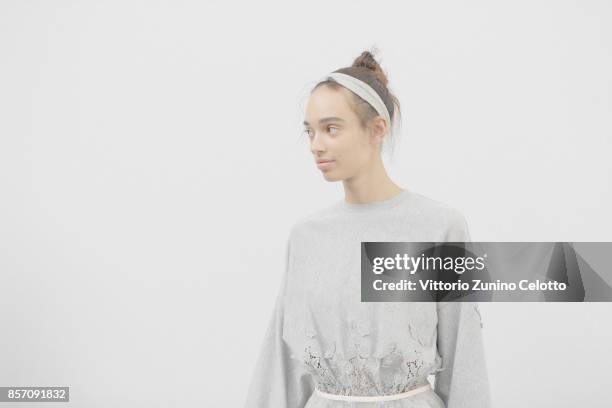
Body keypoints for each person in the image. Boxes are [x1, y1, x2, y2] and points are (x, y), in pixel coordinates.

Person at [244, 49, 492, 408]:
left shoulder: (439, 227)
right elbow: (282, 363)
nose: (316, 145)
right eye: (310, 131)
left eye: (331, 128)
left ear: (377, 129)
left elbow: (465, 358)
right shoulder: (307, 236)